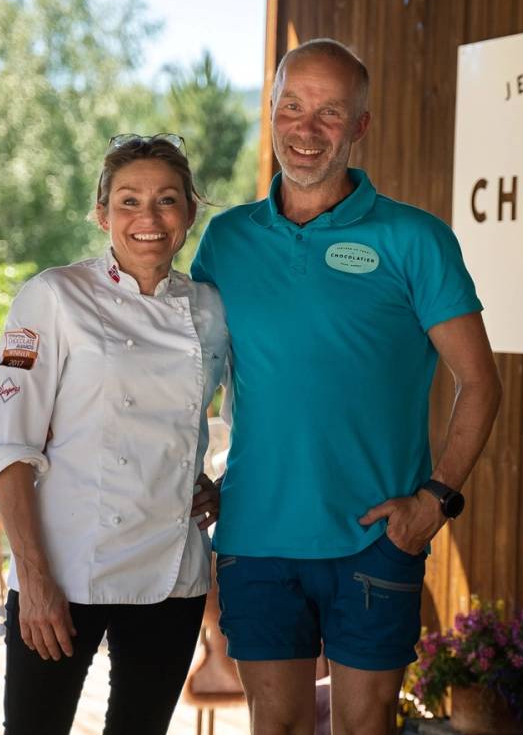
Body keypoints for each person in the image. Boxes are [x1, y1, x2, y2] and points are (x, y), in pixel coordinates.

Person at [191, 39, 502, 735]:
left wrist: (436, 499)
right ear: (271, 113)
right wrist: (187, 475)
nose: (307, 129)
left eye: (330, 113)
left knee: (365, 729)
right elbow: (190, 377)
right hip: (257, 534)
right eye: (292, 107)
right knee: (275, 729)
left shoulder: (414, 240)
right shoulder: (227, 240)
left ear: (360, 126)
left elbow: (480, 382)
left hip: (376, 538)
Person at [0, 133, 228, 735]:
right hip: (65, 564)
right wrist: (32, 579)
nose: (148, 218)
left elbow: (252, 407)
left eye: (167, 201)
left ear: (190, 212)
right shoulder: (52, 297)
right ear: (102, 213)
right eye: (129, 201)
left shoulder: (212, 309)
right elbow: (7, 447)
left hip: (174, 572)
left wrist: (220, 482)